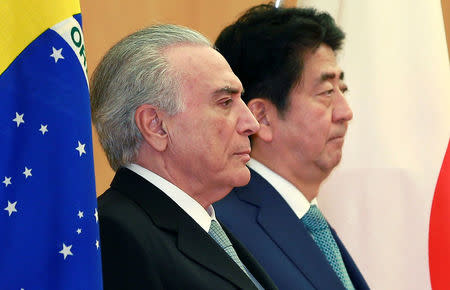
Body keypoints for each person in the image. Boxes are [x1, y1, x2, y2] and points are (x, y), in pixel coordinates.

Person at [90, 24, 278, 290]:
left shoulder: (204, 226)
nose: (251, 124)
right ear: (156, 126)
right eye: (225, 102)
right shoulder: (116, 235)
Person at [214, 4, 369, 290]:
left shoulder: (309, 218)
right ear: (262, 117)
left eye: (342, 91)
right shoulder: (223, 229)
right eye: (326, 93)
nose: (345, 112)